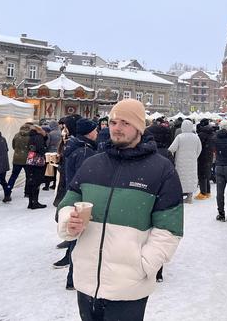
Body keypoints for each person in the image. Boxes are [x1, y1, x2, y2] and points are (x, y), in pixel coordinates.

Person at [57, 99, 183, 321]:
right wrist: (69, 220)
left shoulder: (161, 169)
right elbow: (67, 203)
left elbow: (170, 229)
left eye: (125, 122)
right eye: (113, 122)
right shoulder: (92, 164)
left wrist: (143, 265)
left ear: (139, 127)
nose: (116, 127)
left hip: (129, 287)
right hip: (86, 282)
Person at [55, 118, 99, 288]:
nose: (97, 133)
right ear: (89, 132)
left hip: (75, 195)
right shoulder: (85, 152)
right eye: (94, 130)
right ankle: (73, 278)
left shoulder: (76, 146)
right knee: (79, 238)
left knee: (77, 236)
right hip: (82, 199)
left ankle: (73, 276)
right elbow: (85, 179)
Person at [168, 119, 202, 204]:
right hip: (192, 162)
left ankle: (180, 197)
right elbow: (199, 149)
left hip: (181, 162)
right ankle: (189, 197)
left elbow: (171, 149)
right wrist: (195, 156)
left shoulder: (180, 137)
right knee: (191, 177)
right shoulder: (196, 137)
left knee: (181, 178)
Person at [25, 125, 48, 210]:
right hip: (37, 162)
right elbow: (41, 149)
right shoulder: (39, 137)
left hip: (30, 161)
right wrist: (45, 150)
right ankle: (35, 202)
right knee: (36, 182)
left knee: (31, 182)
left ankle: (31, 202)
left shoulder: (30, 137)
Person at [8, 122, 32, 198]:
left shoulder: (17, 135)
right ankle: (27, 193)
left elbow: (13, 146)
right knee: (28, 176)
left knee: (13, 176)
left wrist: (18, 151)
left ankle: (8, 191)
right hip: (27, 159)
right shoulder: (30, 137)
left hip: (17, 158)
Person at [196, 119, 214, 200]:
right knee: (207, 173)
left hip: (202, 156)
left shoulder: (201, 135)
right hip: (209, 155)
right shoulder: (212, 133)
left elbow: (198, 146)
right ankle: (208, 191)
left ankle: (203, 192)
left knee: (202, 174)